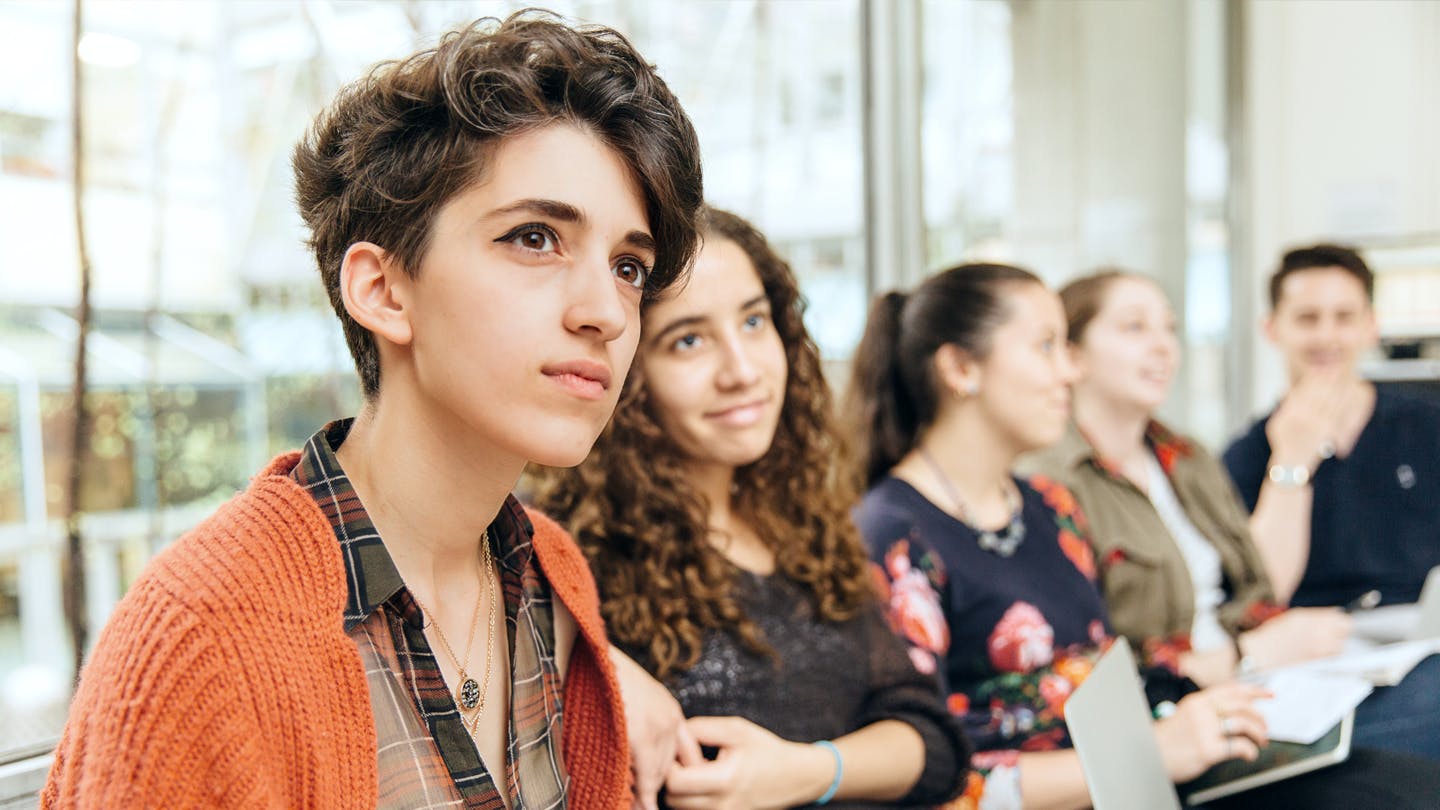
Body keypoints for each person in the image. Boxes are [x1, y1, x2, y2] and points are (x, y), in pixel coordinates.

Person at [43, 12, 704, 809]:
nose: (606, 309)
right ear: (384, 291)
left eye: (628, 265)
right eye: (535, 238)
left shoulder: (552, 577)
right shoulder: (203, 636)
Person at [847, 263, 1440, 809]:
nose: (1068, 370)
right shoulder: (895, 536)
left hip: (1142, 760)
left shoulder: (1045, 505)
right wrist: (1160, 741)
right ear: (960, 368)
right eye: (1048, 347)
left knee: (1408, 781)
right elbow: (930, 772)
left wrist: (1183, 712)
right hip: (1102, 777)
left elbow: (1104, 672)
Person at [535, 207, 968, 808]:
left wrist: (810, 771)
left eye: (754, 322)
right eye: (689, 340)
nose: (742, 371)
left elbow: (933, 742)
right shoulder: (564, 549)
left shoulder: (801, 523)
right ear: (628, 371)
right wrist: (599, 666)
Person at [1026, 269, 1440, 758]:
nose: (1163, 346)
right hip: (1190, 716)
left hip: (1276, 680)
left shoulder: (1186, 460)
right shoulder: (1049, 485)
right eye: (1135, 328)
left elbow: (1257, 590)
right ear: (1071, 355)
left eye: (1170, 329)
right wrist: (1250, 655)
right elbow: (1098, 678)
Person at [1221, 244, 1440, 610]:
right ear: (1272, 328)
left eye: (1344, 317)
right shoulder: (1244, 458)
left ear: (1371, 326)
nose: (1326, 336)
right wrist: (1291, 461)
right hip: (1314, 645)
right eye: (1307, 318)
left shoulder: (1426, 427)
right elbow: (1261, 594)